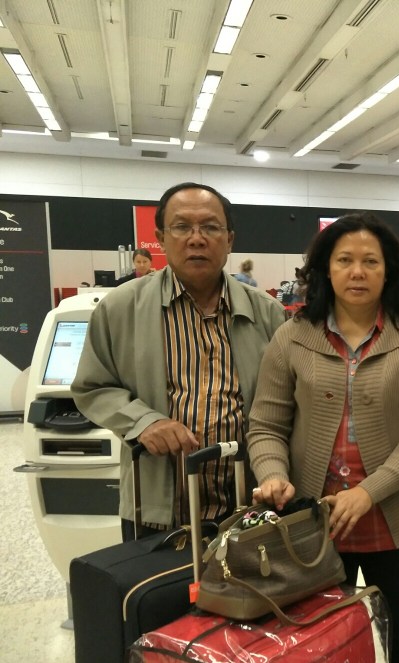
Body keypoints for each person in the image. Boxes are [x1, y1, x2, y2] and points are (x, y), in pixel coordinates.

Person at [247, 211, 399, 663]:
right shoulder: (292, 338)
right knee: (316, 646)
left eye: (371, 262)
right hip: (312, 526)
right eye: (345, 260)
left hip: (394, 522)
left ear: (389, 272)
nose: (358, 272)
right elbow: (266, 424)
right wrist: (273, 474)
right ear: (325, 270)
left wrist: (367, 492)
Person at [72, 182, 287, 539]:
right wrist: (144, 421)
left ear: (230, 240)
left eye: (211, 227)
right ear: (161, 238)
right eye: (182, 227)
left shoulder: (267, 314)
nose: (196, 239)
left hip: (247, 508)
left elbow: (285, 405)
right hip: (155, 509)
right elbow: (92, 387)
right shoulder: (120, 308)